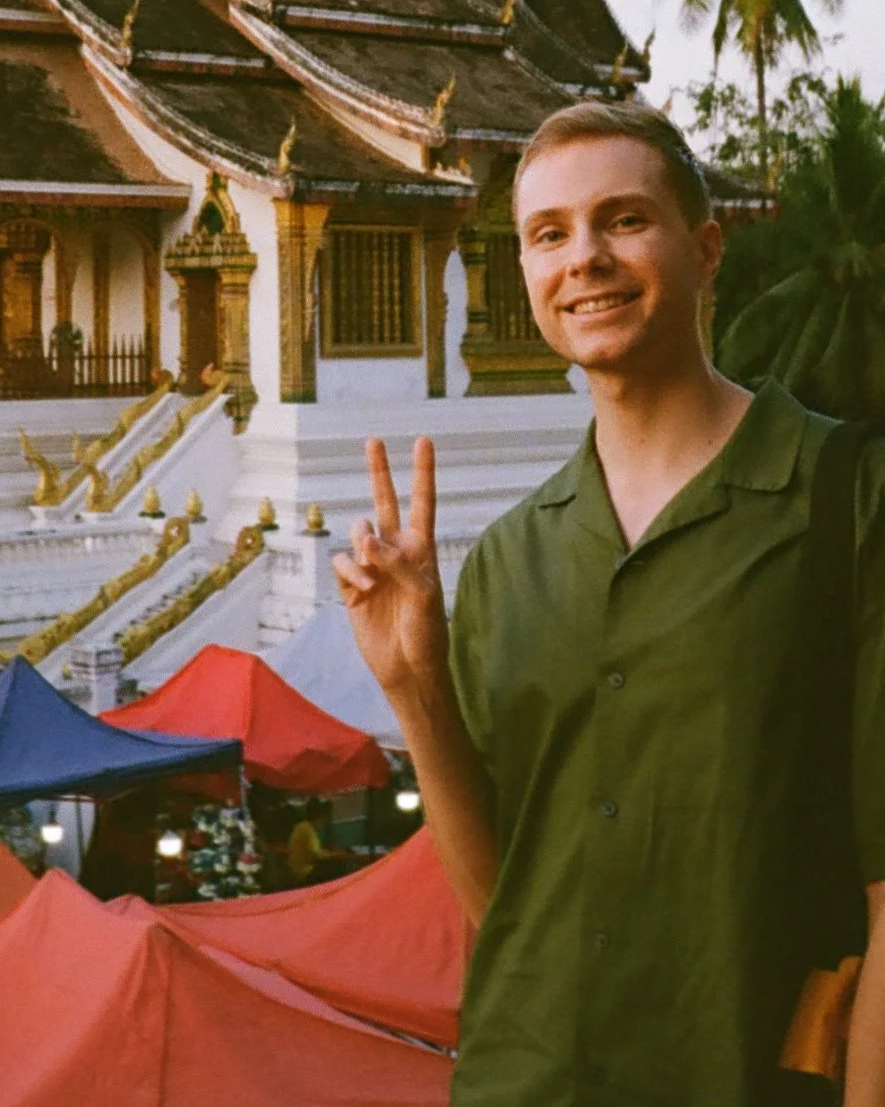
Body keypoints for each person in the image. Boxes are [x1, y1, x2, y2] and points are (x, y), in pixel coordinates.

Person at [336, 101, 885, 1106]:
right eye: (548, 233)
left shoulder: (843, 499)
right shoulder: (509, 555)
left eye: (622, 219)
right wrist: (413, 686)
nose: (582, 256)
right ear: (527, 279)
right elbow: (503, 902)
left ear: (704, 247)